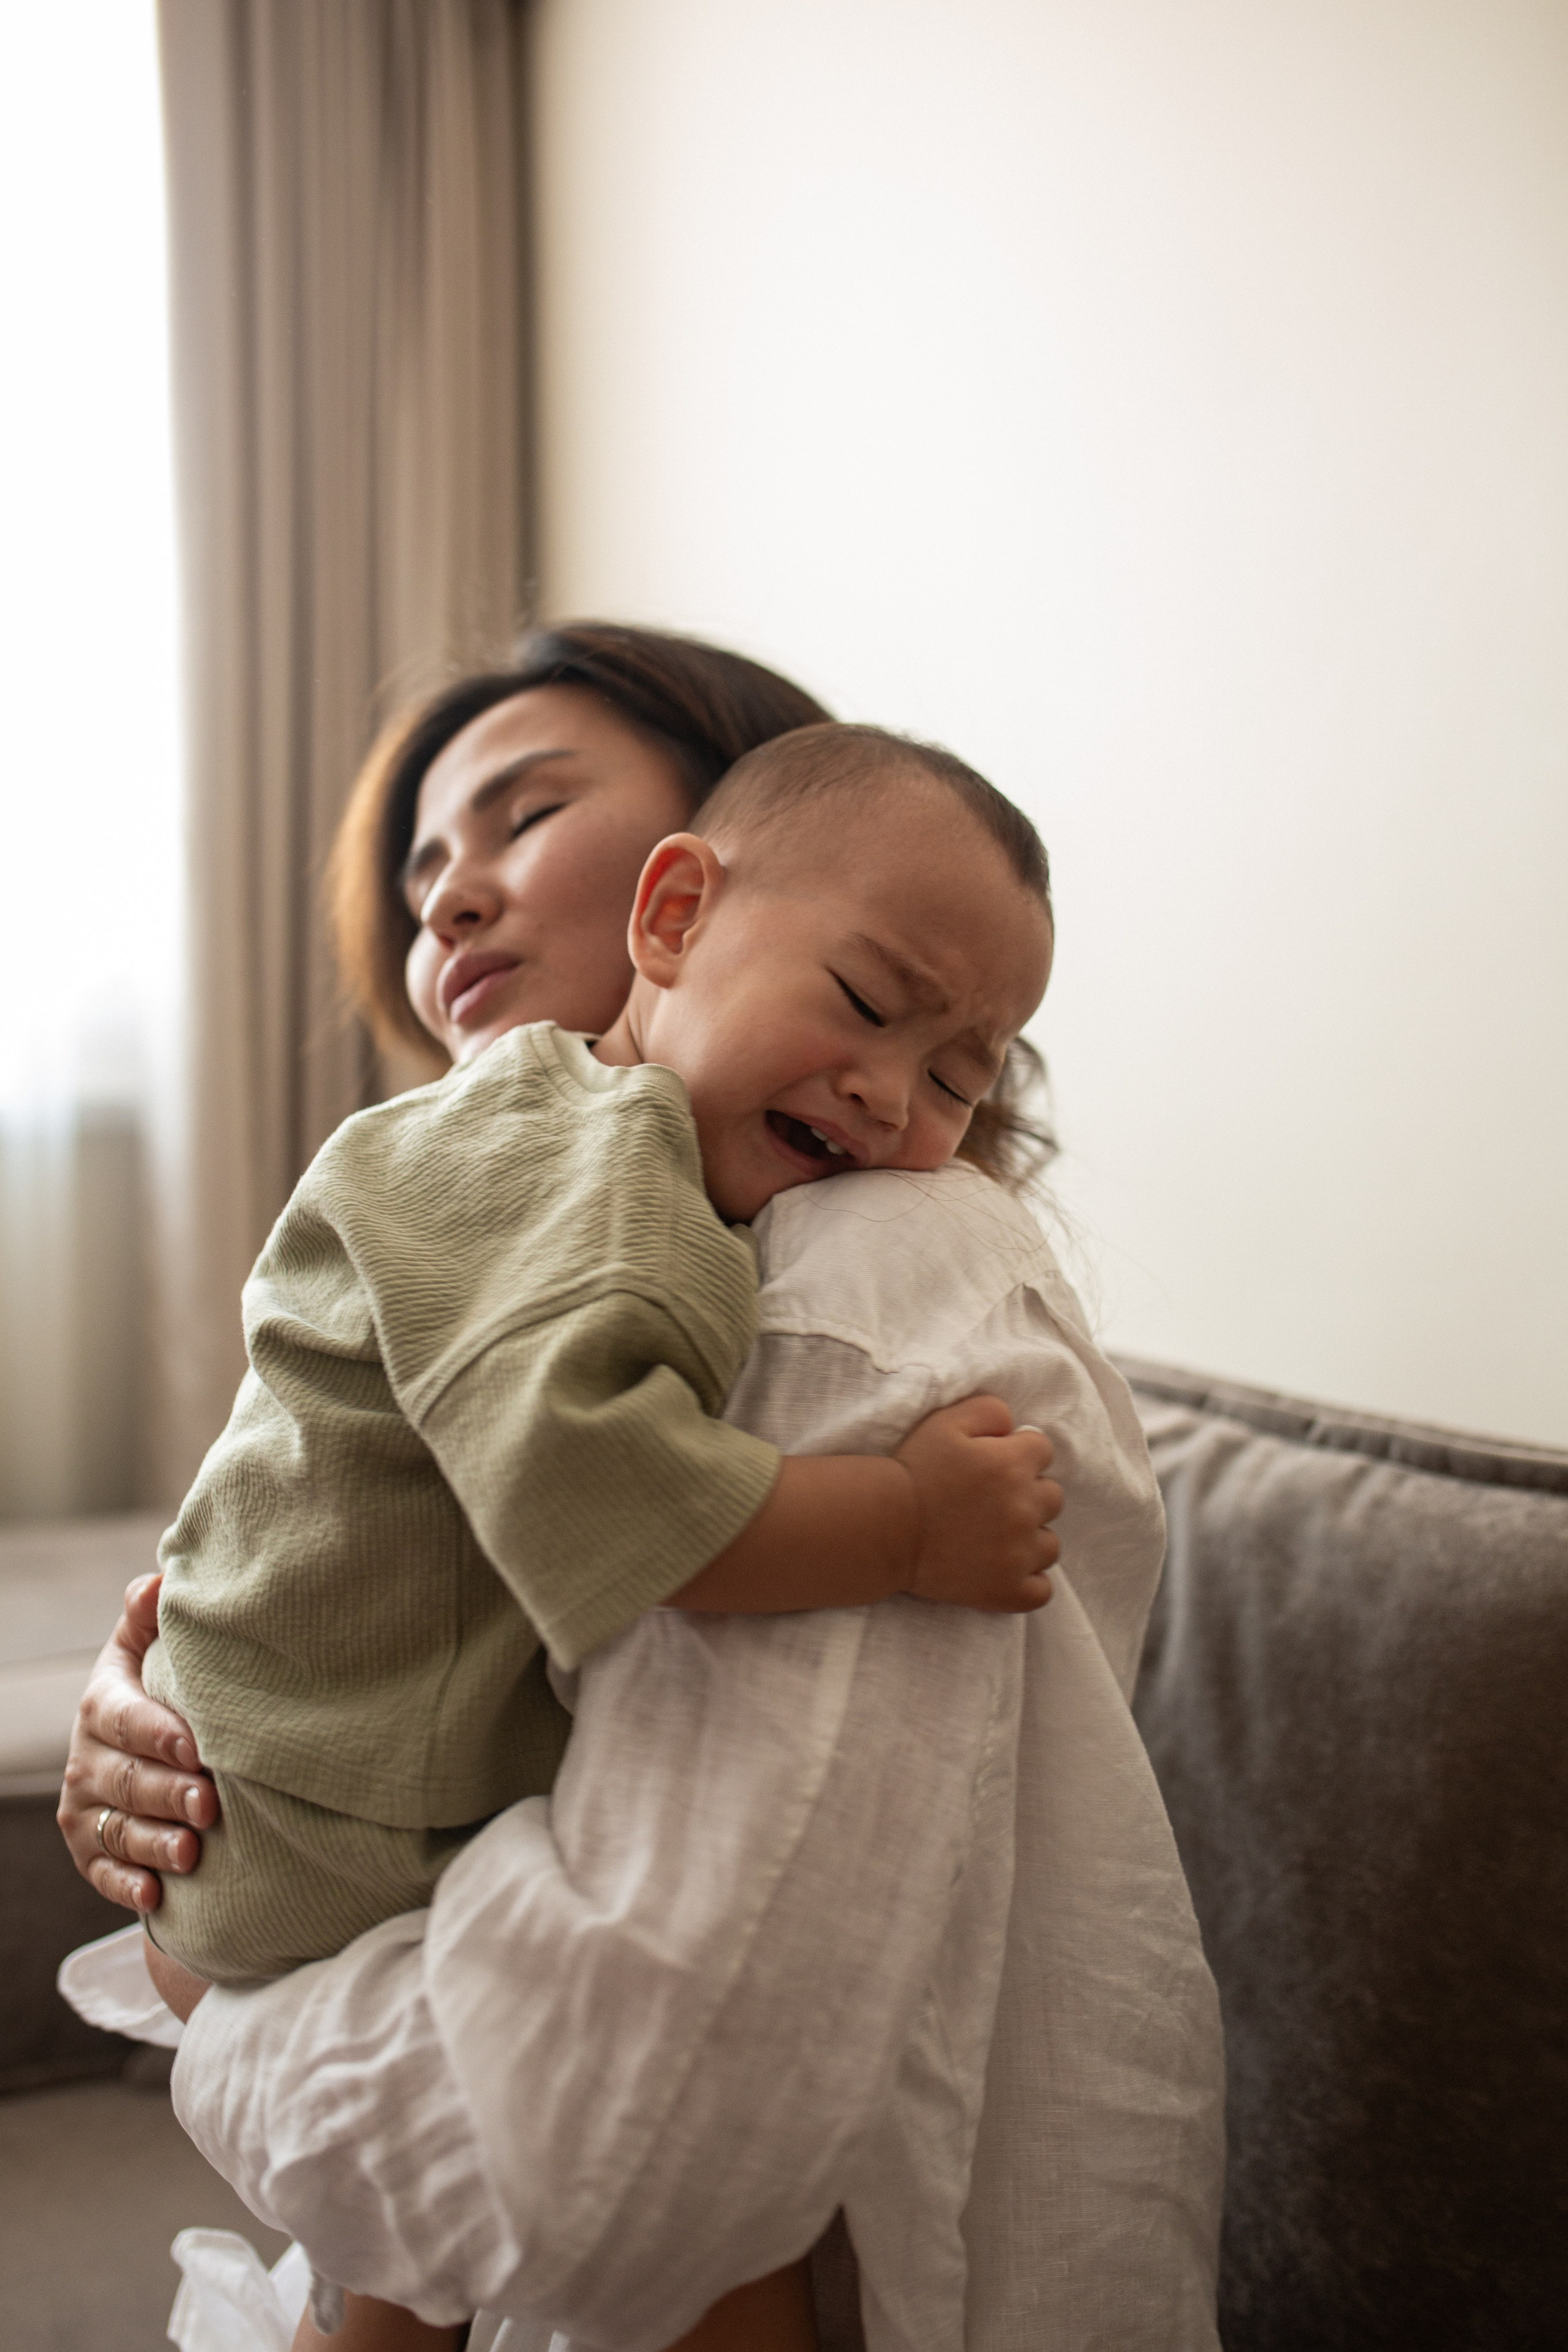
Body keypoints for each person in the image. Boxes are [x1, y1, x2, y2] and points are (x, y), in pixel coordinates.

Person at [59, 624, 1224, 2350]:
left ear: (683, 884)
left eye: (522, 817)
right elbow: (427, 1509)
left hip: (401, 1931)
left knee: (639, 2276)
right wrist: (136, 1690)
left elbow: (658, 2080)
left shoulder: (865, 1258)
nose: (445, 899)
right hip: (330, 1845)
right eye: (423, 866)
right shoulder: (564, 1162)